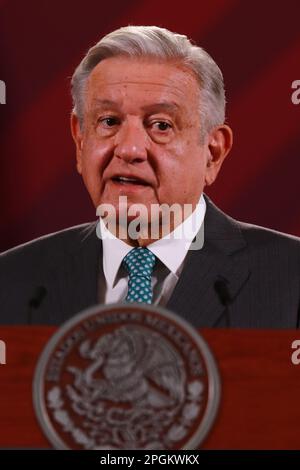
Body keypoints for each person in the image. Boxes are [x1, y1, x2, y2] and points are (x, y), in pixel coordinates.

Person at [0, 25, 299, 327]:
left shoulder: (290, 278)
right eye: (109, 121)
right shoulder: (11, 279)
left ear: (213, 152)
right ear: (80, 141)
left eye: (161, 125)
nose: (129, 149)